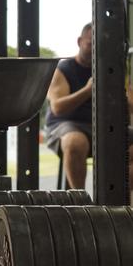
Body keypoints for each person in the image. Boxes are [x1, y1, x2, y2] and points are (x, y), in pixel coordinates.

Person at [45, 22, 93, 188]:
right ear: (79, 42)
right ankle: (81, 205)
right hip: (64, 125)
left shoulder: (111, 69)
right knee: (76, 142)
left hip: (100, 127)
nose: (95, 48)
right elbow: (57, 107)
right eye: (90, 43)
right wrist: (87, 91)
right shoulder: (63, 69)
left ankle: (117, 206)